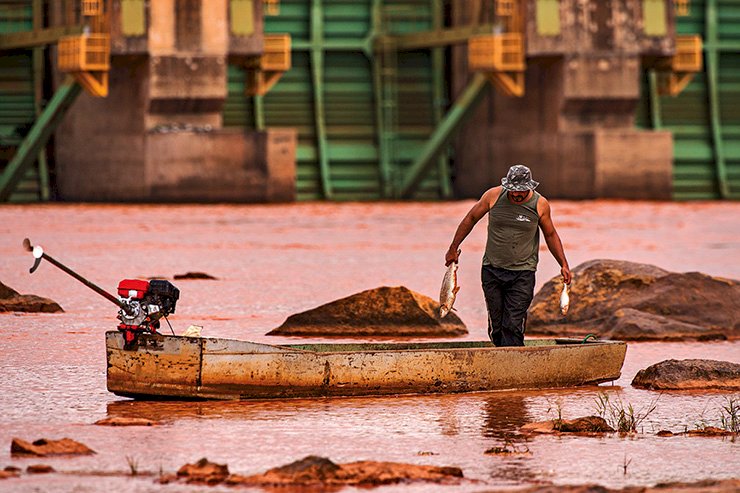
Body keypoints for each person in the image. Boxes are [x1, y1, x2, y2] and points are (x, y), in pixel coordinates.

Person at [445, 165, 571, 347]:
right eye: (513, 191)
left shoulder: (540, 204)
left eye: (521, 191)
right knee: (497, 325)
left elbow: (550, 235)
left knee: (512, 323)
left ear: (530, 187)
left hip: (523, 273)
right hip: (492, 270)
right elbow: (470, 218)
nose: (517, 195)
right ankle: (501, 361)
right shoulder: (493, 196)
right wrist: (453, 247)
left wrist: (563, 264)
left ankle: (516, 364)